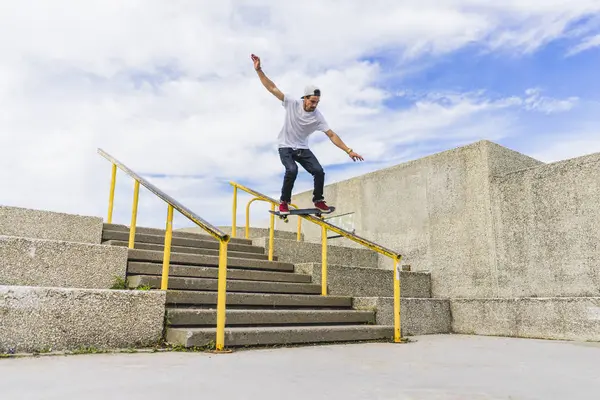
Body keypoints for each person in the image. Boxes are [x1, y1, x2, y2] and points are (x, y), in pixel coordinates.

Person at [250, 54, 364, 215]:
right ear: (304, 98)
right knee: (292, 170)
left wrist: (348, 150)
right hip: (286, 146)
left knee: (318, 171)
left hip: (302, 148)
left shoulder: (318, 117)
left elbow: (331, 135)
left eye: (317, 102)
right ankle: (284, 202)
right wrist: (259, 70)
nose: (314, 105)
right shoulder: (292, 103)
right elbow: (272, 88)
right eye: (312, 101)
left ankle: (318, 200)